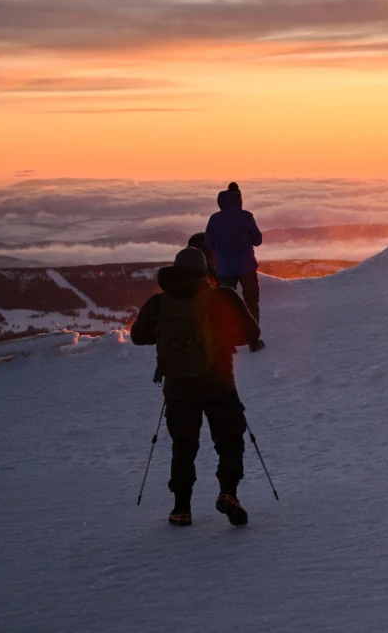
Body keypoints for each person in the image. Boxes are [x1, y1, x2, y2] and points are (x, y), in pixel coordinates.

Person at [131, 247, 261, 526]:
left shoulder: (160, 302)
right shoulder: (222, 296)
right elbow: (251, 333)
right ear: (205, 271)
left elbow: (138, 336)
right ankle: (228, 493)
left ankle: (181, 508)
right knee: (229, 440)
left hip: (178, 388)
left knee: (183, 446)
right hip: (219, 384)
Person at [205, 181, 265, 351]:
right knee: (251, 303)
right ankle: (253, 341)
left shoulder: (214, 219)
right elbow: (257, 240)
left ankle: (228, 343)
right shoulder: (246, 216)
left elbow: (209, 244)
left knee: (226, 305)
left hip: (224, 269)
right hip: (247, 268)